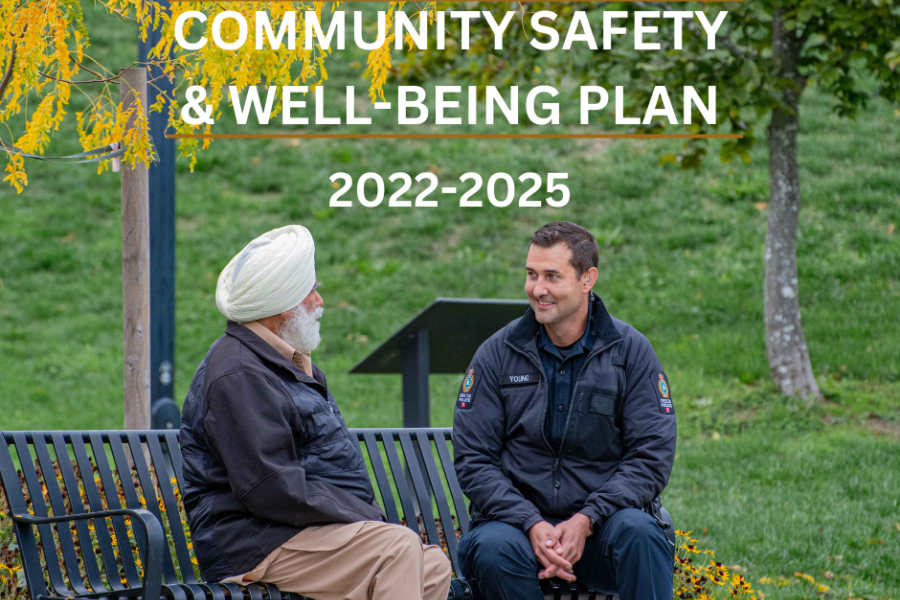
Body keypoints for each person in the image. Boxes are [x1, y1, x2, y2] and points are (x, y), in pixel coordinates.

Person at [180, 225, 452, 600]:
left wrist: (356, 515)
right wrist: (359, 514)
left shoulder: (285, 361)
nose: (319, 301)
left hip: (297, 530)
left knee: (432, 564)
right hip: (253, 542)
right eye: (310, 291)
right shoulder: (239, 373)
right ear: (281, 304)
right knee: (396, 549)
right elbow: (269, 486)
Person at [453, 221, 676, 600]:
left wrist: (587, 519)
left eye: (552, 276)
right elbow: (474, 458)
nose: (538, 289)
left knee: (640, 533)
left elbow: (651, 454)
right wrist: (530, 523)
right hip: (514, 532)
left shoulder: (631, 353)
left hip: (603, 530)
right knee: (492, 549)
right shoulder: (496, 354)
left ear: (587, 279)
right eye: (531, 274)